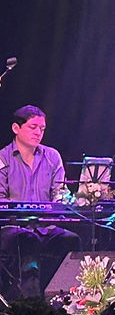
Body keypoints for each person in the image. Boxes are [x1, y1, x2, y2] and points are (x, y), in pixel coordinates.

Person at [0, 105, 80, 299]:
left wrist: (71, 200)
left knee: (71, 239)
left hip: (46, 226)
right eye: (33, 127)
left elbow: (59, 192)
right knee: (28, 240)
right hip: (12, 227)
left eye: (42, 129)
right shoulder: (3, 157)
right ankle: (30, 302)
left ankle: (64, 296)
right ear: (16, 128)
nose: (38, 133)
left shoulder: (52, 157)